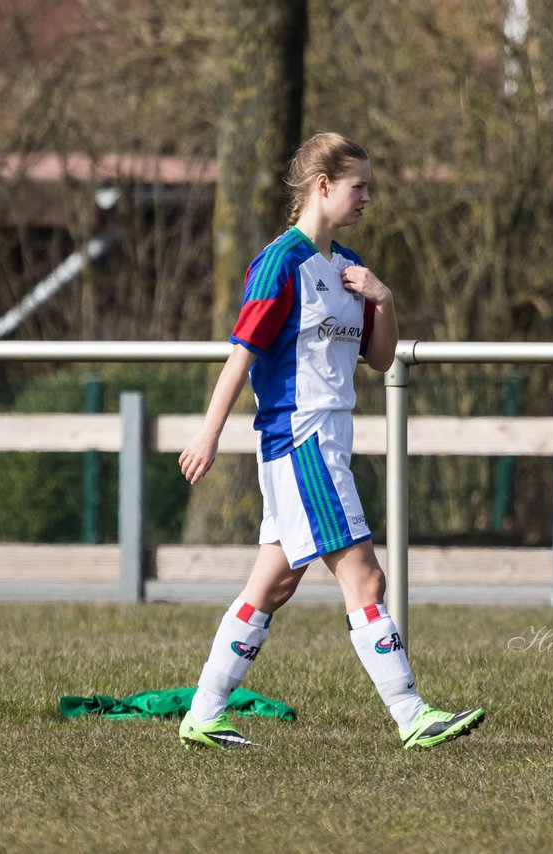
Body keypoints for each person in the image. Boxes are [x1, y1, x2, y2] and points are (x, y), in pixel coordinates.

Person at [176, 132, 484, 750]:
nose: (368, 197)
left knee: (274, 584)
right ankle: (411, 713)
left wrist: (384, 299)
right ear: (322, 186)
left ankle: (204, 712)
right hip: (303, 440)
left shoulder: (346, 267)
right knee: (366, 580)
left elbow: (380, 357)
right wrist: (208, 434)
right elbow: (241, 355)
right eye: (358, 186)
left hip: (329, 441)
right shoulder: (279, 263)